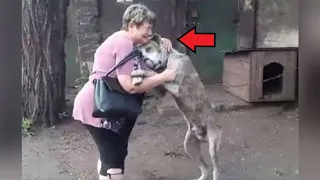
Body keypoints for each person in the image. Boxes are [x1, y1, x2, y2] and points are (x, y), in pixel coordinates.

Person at [72, 3, 176, 180]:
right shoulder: (123, 43)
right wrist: (163, 77)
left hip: (105, 108)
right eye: (147, 28)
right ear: (131, 25)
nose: (150, 32)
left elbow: (145, 56)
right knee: (113, 161)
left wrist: (162, 41)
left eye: (152, 28)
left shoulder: (129, 42)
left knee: (114, 154)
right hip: (99, 109)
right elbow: (129, 85)